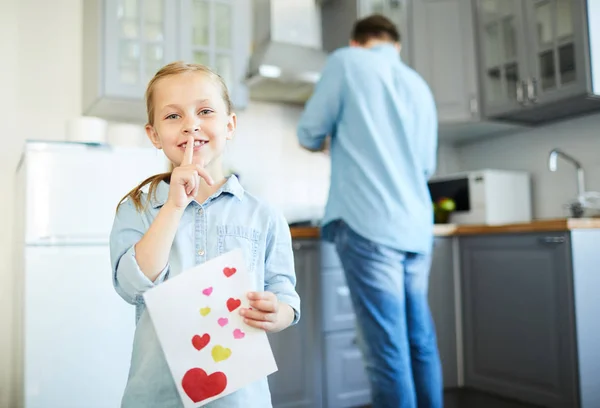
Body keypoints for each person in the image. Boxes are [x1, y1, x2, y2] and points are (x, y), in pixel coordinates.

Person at [110, 61, 300, 408]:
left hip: (241, 399)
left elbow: (285, 294)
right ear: (154, 135)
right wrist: (173, 207)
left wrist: (279, 313)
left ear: (229, 125)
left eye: (205, 111)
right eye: (173, 116)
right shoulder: (135, 209)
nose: (191, 125)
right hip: (156, 395)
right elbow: (131, 286)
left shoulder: (265, 216)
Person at [297, 14, 442, 408]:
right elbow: (426, 166)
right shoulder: (419, 85)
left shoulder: (346, 61)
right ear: (395, 45)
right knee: (419, 342)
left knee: (386, 348)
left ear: (356, 41)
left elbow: (308, 131)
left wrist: (333, 140)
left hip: (369, 222)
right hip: (415, 227)